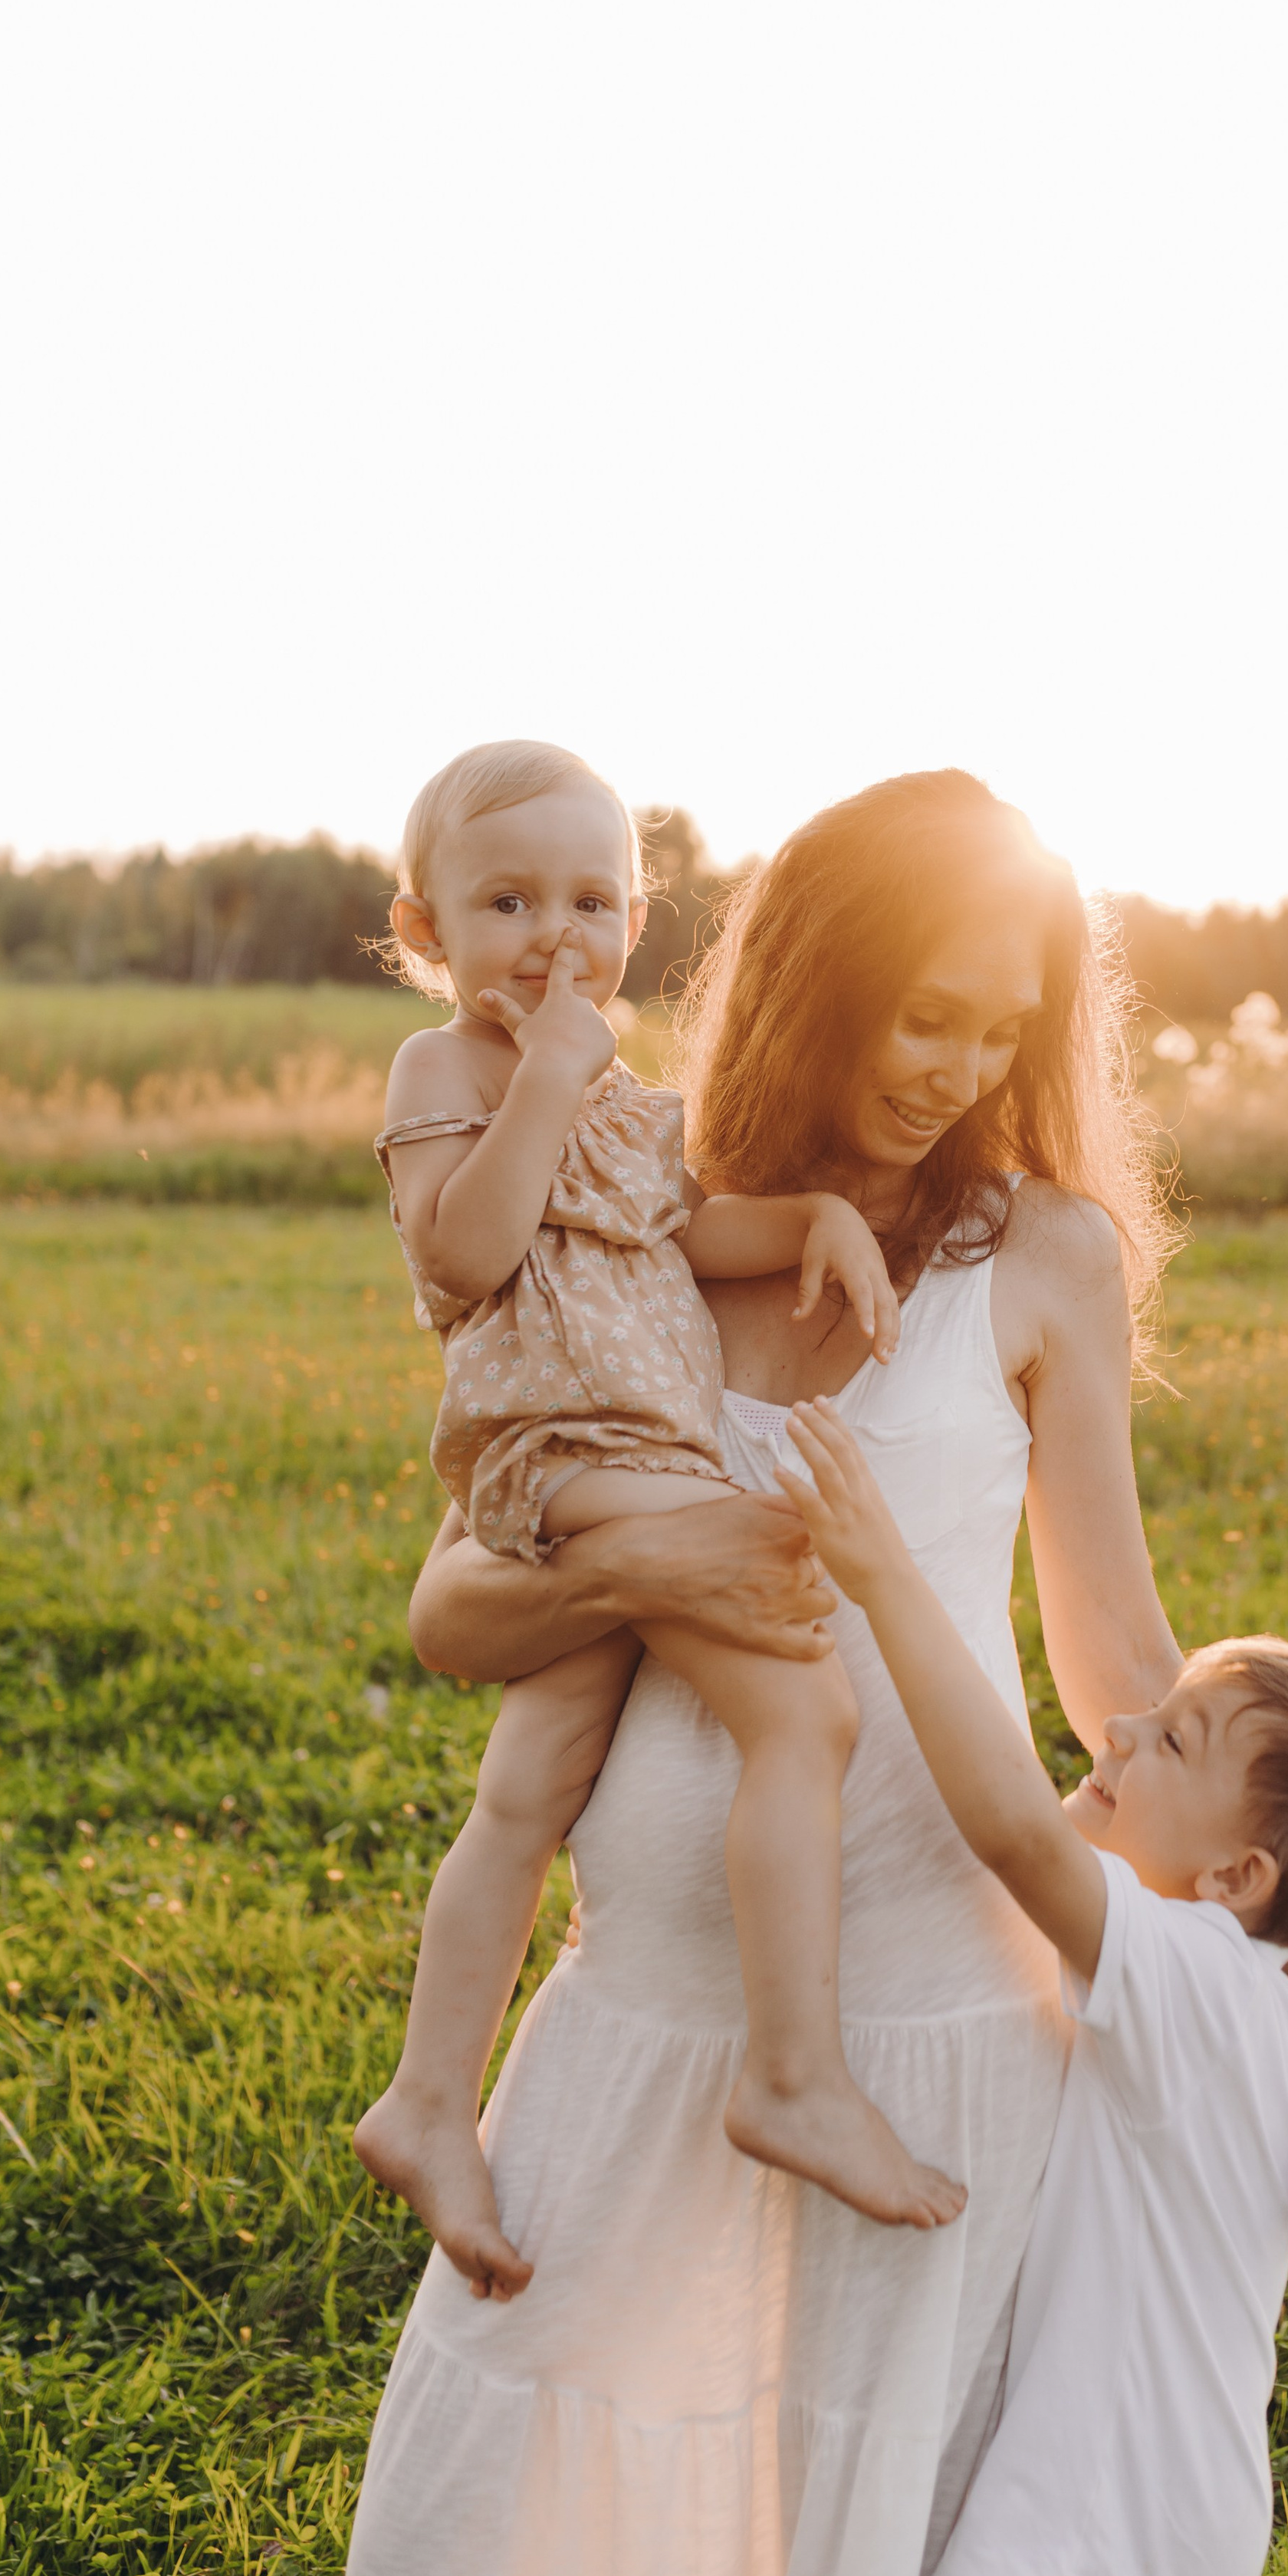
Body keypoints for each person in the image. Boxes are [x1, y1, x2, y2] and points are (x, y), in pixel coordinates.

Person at [329, 770, 1288, 2576]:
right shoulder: (640, 1188)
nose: (960, 1069)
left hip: (926, 2008)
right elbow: (456, 1609)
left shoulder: (1042, 1256)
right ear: (819, 981)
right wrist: (658, 1562)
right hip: (647, 1993)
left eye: (1003, 1028)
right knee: (482, 2532)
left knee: (833, 2537)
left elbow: (1117, 1660)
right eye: (925, 1014)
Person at [353, 741, 965, 2292]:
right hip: (566, 1446)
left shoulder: (627, 1104)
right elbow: (465, 1259)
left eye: (591, 902)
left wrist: (816, 1217)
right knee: (804, 1712)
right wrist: (550, 1076)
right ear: (425, 930)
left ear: (635, 920)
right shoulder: (448, 1072)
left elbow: (689, 1233)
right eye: (507, 903)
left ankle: (426, 2100)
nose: (553, 937)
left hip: (627, 1450)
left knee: (527, 1792)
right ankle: (792, 2074)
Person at [776, 1397, 1288, 2576]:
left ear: (1238, 1876)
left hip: (1082, 2550)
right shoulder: (1238, 1983)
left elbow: (1016, 1836)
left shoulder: (1195, 1981)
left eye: (1172, 1740)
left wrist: (883, 1574)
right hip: (1140, 2543)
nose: (1120, 1733)